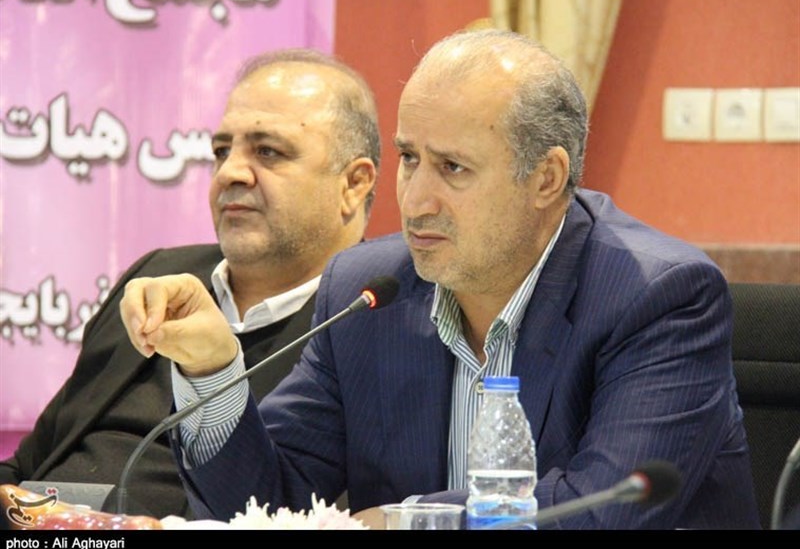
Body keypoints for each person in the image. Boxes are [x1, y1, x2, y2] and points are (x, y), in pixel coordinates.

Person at [120, 30, 760, 529]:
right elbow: (261, 507)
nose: (416, 200)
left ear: (546, 178)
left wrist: (408, 520)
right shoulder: (367, 291)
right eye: (409, 158)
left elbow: (602, 512)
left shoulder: (657, 296)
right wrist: (213, 371)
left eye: (453, 167)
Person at [0, 48, 380, 520]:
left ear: (354, 184)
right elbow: (27, 468)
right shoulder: (158, 277)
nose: (230, 172)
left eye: (268, 151)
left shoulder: (370, 322)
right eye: (221, 152)